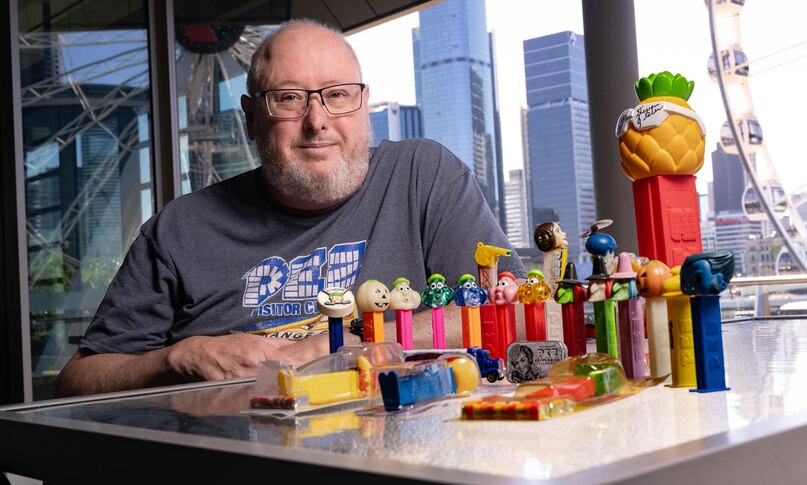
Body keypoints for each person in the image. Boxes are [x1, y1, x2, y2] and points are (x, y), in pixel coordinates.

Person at [54, 18, 524, 397]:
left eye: (337, 95)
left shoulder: (424, 175)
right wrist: (176, 357)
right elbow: (76, 381)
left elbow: (521, 312)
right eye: (289, 99)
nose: (316, 121)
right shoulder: (179, 229)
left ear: (363, 104)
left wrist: (335, 348)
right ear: (252, 118)